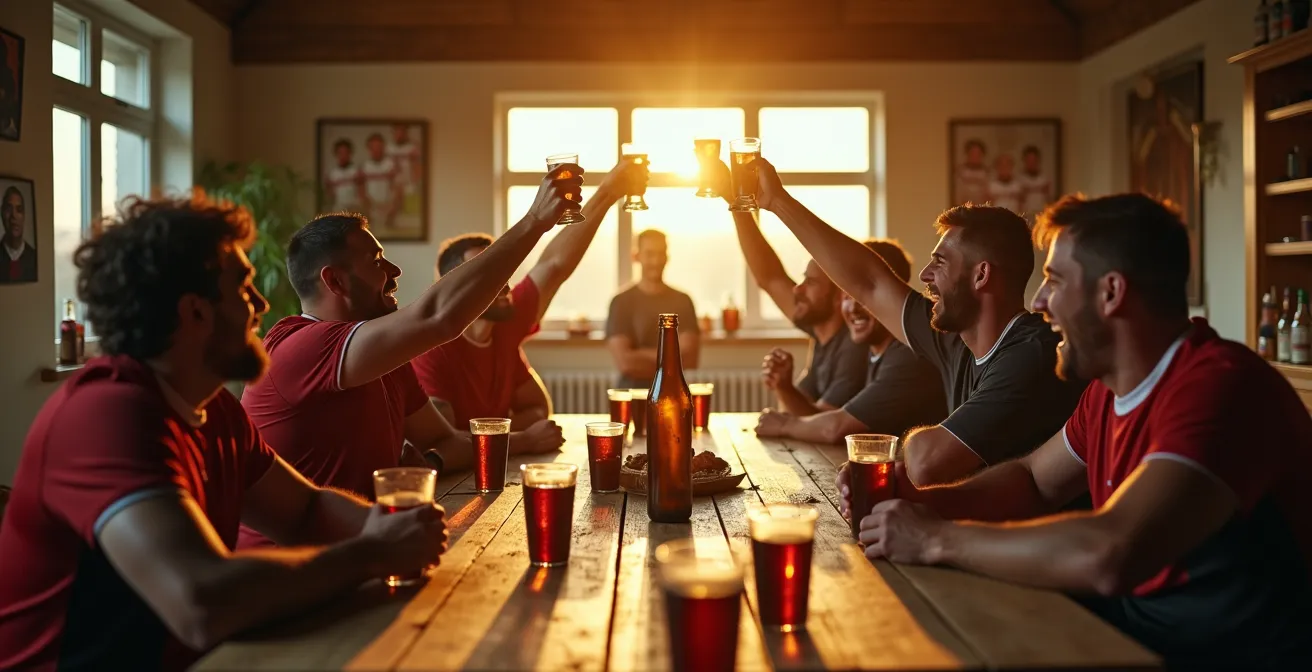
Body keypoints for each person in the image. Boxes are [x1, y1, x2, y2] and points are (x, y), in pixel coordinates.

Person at [844, 194, 1312, 668]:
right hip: (1134, 636)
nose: (1041, 303)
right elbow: (1033, 481)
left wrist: (934, 537)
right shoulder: (1107, 392)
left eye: (1055, 281)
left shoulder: (1220, 387)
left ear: (1111, 293)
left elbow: (1110, 551)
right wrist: (918, 499)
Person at [0, 196, 448, 671]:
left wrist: (391, 528)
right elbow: (200, 601)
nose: (260, 305)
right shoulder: (106, 415)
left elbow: (306, 510)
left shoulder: (211, 407)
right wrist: (372, 552)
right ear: (195, 312)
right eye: (243, 288)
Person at [240, 166, 584, 549]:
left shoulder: (381, 358)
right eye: (376, 262)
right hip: (294, 572)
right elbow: (438, 317)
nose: (395, 271)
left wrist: (431, 464)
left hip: (372, 548)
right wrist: (535, 221)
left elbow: (444, 440)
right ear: (334, 281)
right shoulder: (300, 346)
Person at [751, 157, 1084, 486]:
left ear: (981, 275)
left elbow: (927, 463)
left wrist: (905, 445)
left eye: (939, 262)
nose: (925, 275)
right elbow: (869, 282)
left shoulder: (1031, 355)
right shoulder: (958, 341)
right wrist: (776, 202)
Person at [413, 159, 648, 428]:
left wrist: (608, 192)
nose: (503, 284)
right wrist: (522, 439)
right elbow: (443, 442)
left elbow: (555, 265)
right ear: (453, 288)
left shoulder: (505, 324)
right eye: (486, 276)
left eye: (502, 272)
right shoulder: (431, 351)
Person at [755, 239, 946, 443]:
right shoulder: (873, 350)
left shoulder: (909, 355)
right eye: (847, 294)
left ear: (894, 295)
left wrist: (784, 425)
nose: (853, 307)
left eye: (865, 295)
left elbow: (834, 428)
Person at [716, 162, 869, 415]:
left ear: (840, 294)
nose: (797, 290)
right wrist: (734, 202)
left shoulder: (852, 346)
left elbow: (820, 422)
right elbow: (770, 277)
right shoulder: (820, 332)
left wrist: (784, 388)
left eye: (811, 283)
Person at [605, 228, 701, 388]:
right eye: (649, 254)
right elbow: (626, 363)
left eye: (660, 253)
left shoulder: (683, 301)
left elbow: (690, 359)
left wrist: (640, 355)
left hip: (673, 398)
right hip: (632, 398)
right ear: (636, 256)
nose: (656, 261)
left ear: (667, 257)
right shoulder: (620, 302)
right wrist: (671, 359)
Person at [360, 133, 402, 229]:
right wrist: (367, 209)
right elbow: (361, 191)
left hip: (389, 210)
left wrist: (393, 209)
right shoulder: (364, 167)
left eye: (378, 147)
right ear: (368, 148)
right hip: (372, 211)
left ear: (383, 147)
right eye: (373, 147)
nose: (376, 150)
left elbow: (399, 189)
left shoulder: (391, 165)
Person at [2, 185, 37, 283]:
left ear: (24, 216)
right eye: (9, 209)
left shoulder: (33, 258)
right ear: (2, 214)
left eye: (19, 210)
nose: (14, 216)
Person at [386, 123, 422, 216]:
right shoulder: (388, 148)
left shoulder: (413, 147)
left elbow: (419, 168)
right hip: (393, 186)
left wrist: (416, 181)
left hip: (409, 184)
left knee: (410, 213)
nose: (400, 133)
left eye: (402, 131)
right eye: (397, 130)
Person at [323, 138, 364, 212]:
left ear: (350, 153)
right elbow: (330, 196)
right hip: (338, 211)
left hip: (354, 210)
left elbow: (361, 194)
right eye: (340, 153)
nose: (343, 156)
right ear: (336, 154)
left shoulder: (357, 171)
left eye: (346, 153)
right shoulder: (332, 174)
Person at [1018, 146, 1053, 217]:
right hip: (1025, 216)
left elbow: (1049, 199)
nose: (1031, 163)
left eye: (1034, 160)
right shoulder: (1019, 180)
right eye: (1029, 160)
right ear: (1024, 161)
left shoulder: (1045, 179)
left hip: (1042, 215)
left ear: (1038, 160)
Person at [955, 139, 990, 205]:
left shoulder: (987, 173)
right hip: (962, 209)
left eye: (978, 153)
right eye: (973, 153)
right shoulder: (959, 172)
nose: (975, 156)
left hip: (981, 209)